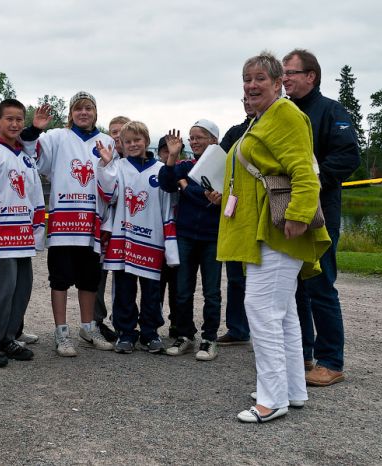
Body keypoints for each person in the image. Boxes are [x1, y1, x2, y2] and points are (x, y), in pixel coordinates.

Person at [217, 51, 330, 423]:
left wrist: (298, 215)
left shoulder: (284, 114)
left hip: (279, 227)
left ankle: (271, 400)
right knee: (281, 315)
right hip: (266, 228)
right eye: (247, 79)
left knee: (262, 310)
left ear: (278, 82)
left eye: (260, 79)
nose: (251, 85)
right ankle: (291, 390)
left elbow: (303, 167)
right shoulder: (262, 118)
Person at [283, 49, 360, 386]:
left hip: (320, 211)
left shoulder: (331, 111)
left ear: (310, 76)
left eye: (290, 73)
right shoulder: (283, 113)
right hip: (285, 210)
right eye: (283, 73)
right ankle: (302, 353)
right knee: (293, 285)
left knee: (319, 284)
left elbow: (348, 157)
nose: (284, 78)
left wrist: (310, 183)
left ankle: (331, 361)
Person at [22, 91, 116, 357]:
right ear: (71, 113)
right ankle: (61, 331)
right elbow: (33, 155)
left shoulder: (106, 141)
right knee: (60, 279)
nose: (83, 113)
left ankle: (88, 327)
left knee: (89, 280)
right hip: (64, 223)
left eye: (88, 108)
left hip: (91, 224)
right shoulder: (56, 137)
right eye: (78, 108)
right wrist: (35, 129)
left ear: (95, 112)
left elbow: (112, 184)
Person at [0, 99, 46, 368]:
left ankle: (7, 336)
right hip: (1, 233)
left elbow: (34, 193)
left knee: (22, 289)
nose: (14, 124)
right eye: (9, 119)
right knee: (2, 290)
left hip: (23, 233)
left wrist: (37, 229)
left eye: (19, 119)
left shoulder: (24, 155)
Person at [96, 121, 179, 353]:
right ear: (121, 143)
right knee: (124, 288)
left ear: (146, 141)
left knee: (152, 289)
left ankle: (150, 332)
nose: (133, 145)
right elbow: (108, 195)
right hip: (124, 238)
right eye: (128, 141)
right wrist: (105, 163)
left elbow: (170, 197)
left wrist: (172, 158)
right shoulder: (118, 167)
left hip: (152, 239)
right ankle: (126, 332)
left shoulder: (159, 169)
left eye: (137, 140)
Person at [159, 120, 223, 361]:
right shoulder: (185, 165)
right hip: (186, 235)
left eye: (200, 137)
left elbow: (218, 197)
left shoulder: (223, 166)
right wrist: (172, 157)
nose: (195, 142)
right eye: (192, 138)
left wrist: (186, 188)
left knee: (212, 292)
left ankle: (209, 338)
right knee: (183, 290)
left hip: (212, 237)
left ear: (214, 140)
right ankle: (185, 334)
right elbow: (166, 184)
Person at [216, 96, 256, 346]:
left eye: (254, 97)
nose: (249, 103)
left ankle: (264, 333)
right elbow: (216, 166)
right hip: (235, 210)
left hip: (262, 209)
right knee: (235, 276)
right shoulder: (235, 133)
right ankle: (238, 328)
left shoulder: (272, 127)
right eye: (245, 99)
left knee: (262, 276)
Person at [93, 115, 131, 343]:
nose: (116, 136)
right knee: (98, 276)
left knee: (124, 278)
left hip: (129, 227)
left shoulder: (138, 162)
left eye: (121, 131)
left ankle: (123, 322)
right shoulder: (107, 160)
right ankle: (96, 320)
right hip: (107, 226)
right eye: (113, 132)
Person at [155, 136, 179, 323]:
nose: (170, 154)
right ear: (159, 153)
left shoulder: (185, 172)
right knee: (157, 282)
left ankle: (177, 323)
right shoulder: (154, 174)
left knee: (179, 285)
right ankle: (154, 320)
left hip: (179, 235)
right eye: (166, 151)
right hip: (158, 235)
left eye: (174, 151)